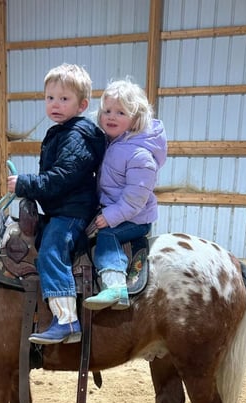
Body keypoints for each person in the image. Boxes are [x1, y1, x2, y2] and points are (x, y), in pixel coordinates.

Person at [7, 63, 106, 344]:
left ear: (82, 104)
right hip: (62, 207)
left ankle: (67, 321)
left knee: (51, 248)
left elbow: (61, 178)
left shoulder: (76, 136)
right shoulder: (61, 132)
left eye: (64, 99)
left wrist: (26, 184)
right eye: (50, 98)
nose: (55, 104)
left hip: (72, 212)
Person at [83, 79, 167, 311]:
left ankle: (115, 285)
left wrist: (110, 217)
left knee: (107, 236)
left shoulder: (140, 155)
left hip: (135, 218)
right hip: (116, 209)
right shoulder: (113, 144)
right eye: (107, 111)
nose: (111, 116)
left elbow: (135, 199)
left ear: (135, 118)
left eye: (121, 112)